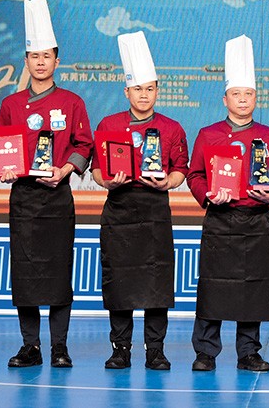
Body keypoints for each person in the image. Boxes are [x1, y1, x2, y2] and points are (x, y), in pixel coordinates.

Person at [0, 0, 93, 368]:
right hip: (23, 198)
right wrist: (5, 170)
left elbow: (84, 145)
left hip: (57, 198)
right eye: (34, 56)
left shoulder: (72, 102)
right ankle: (30, 346)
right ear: (26, 61)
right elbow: (3, 149)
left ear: (57, 61)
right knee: (25, 272)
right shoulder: (11, 104)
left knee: (58, 271)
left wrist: (65, 170)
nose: (40, 62)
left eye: (46, 56)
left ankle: (60, 347)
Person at [187, 35, 269, 372]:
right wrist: (207, 194)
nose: (243, 99)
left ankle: (249, 352)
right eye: (236, 94)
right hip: (219, 219)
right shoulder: (208, 134)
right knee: (212, 286)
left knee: (253, 288)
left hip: (256, 220)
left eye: (248, 94)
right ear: (225, 98)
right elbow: (195, 175)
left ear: (256, 97)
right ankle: (205, 352)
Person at [91, 31, 189, 370]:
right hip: (118, 210)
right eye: (137, 89)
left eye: (149, 89)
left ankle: (155, 350)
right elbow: (96, 170)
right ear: (126, 92)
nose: (143, 95)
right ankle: (120, 349)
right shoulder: (109, 124)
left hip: (155, 210)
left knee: (156, 281)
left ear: (157, 91)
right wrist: (108, 181)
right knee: (119, 281)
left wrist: (167, 182)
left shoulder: (172, 128)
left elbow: (181, 170)